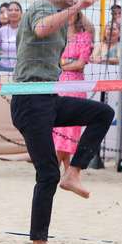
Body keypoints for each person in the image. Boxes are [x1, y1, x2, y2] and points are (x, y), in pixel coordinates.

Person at [11, 0, 115, 244]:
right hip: (29, 99)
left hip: (47, 97)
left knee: (102, 113)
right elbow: (42, 29)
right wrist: (77, 6)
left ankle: (73, 173)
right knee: (46, 174)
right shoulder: (41, 8)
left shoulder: (61, 16)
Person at [52, 10, 94, 170]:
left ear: (78, 15)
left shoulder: (85, 36)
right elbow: (54, 61)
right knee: (58, 128)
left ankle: (58, 167)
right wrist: (67, 64)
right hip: (59, 84)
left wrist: (63, 65)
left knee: (70, 129)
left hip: (75, 86)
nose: (69, 16)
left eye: (72, 12)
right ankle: (68, 169)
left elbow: (80, 64)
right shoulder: (57, 37)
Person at [0, 1, 22, 72]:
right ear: (7, 13)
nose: (14, 12)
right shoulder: (1, 30)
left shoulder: (25, 30)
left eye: (17, 10)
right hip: (3, 68)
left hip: (20, 69)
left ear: (21, 13)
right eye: (10, 10)